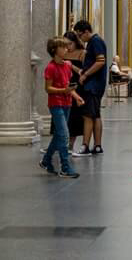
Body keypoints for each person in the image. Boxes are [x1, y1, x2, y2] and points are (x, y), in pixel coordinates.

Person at [39, 37, 85, 178]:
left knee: (59, 135)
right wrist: (63, 91)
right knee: (64, 135)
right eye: (63, 47)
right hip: (56, 104)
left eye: (67, 47)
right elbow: (48, 88)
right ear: (54, 50)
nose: (67, 49)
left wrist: (76, 97)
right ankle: (65, 167)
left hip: (67, 104)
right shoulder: (51, 67)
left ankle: (46, 160)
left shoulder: (67, 66)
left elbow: (67, 87)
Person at [75, 20, 107, 156]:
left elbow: (100, 61)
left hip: (93, 85)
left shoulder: (95, 41)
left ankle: (85, 146)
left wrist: (85, 74)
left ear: (87, 32)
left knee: (88, 116)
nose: (80, 38)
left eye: (80, 35)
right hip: (95, 84)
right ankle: (98, 146)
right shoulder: (94, 41)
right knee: (96, 115)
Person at [62, 31, 86, 152]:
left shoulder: (82, 53)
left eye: (70, 44)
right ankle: (61, 143)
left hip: (76, 85)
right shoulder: (63, 53)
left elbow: (84, 71)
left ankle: (71, 144)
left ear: (75, 42)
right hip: (63, 85)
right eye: (65, 44)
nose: (68, 47)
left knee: (74, 115)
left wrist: (71, 65)